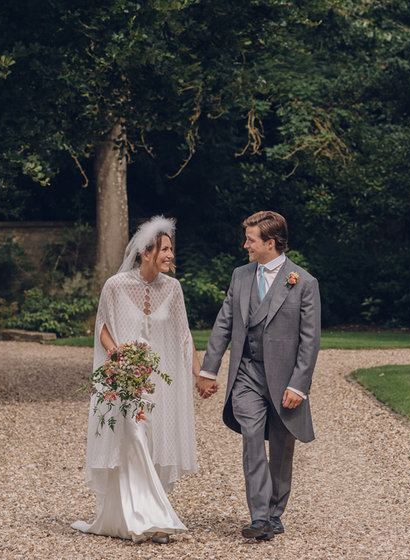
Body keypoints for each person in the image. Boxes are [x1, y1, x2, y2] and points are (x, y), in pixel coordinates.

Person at [72, 216, 202, 544]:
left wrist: (201, 375)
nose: (171, 254)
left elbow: (183, 336)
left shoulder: (173, 289)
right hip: (126, 381)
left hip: (159, 385)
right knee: (134, 438)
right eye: (165, 249)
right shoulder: (115, 286)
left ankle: (136, 514)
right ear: (146, 252)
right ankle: (154, 519)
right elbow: (102, 326)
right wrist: (116, 355)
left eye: (172, 248)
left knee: (154, 441)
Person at [196, 210, 320, 541]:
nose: (245, 245)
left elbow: (310, 341)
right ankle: (259, 516)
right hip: (246, 374)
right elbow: (224, 323)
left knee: (281, 445)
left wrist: (299, 385)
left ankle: (275, 513)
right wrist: (209, 369)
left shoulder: (303, 282)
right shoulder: (240, 276)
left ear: (270, 242)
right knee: (252, 437)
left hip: (284, 381)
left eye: (251, 240)